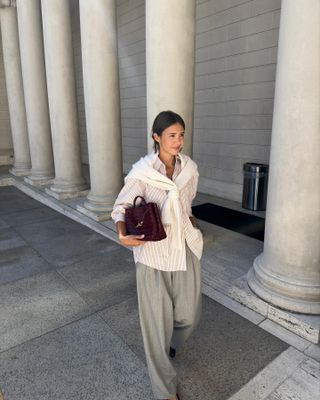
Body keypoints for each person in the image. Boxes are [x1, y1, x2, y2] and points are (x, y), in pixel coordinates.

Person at [111, 110, 203, 400]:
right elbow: (120, 207)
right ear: (157, 138)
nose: (178, 141)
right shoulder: (143, 173)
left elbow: (187, 206)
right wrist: (122, 232)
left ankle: (174, 342)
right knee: (155, 326)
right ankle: (165, 391)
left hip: (185, 247)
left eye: (181, 135)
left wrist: (192, 225)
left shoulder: (189, 170)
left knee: (189, 314)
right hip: (153, 253)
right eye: (172, 135)